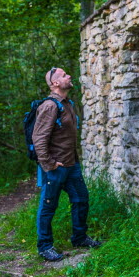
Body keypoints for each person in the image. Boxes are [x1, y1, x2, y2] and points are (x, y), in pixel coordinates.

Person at [32, 67, 102, 262]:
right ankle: (45, 246)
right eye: (63, 75)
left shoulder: (67, 104)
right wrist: (49, 164)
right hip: (55, 167)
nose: (69, 76)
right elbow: (38, 138)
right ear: (55, 83)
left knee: (81, 199)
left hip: (71, 164)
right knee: (48, 205)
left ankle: (79, 238)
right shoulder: (50, 106)